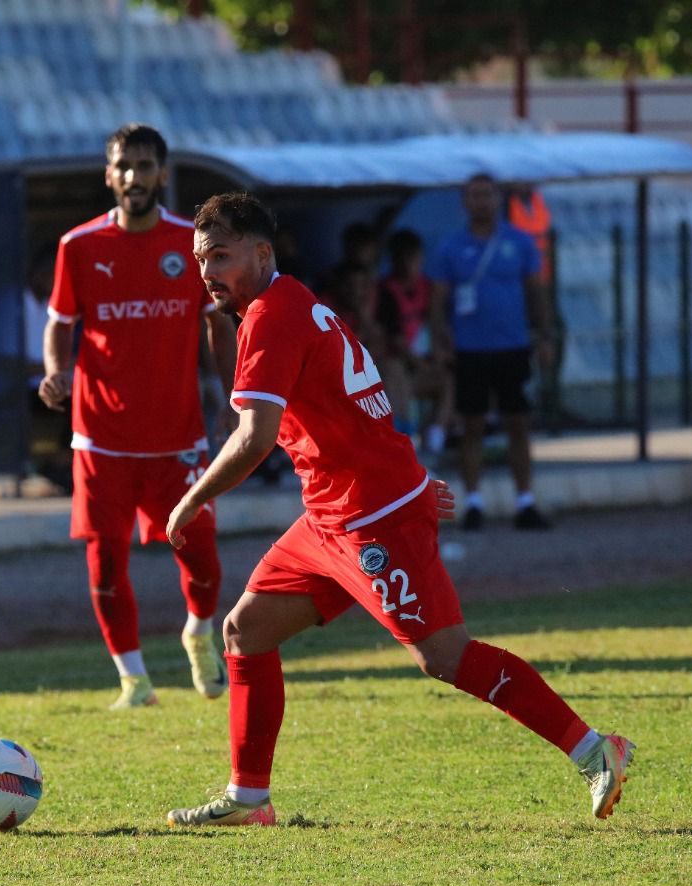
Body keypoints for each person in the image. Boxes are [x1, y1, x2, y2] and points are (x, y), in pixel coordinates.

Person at [162, 191, 633, 828]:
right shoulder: (286, 302)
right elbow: (350, 400)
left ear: (263, 253)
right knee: (246, 631)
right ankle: (249, 798)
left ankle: (594, 749)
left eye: (220, 255)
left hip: (370, 518)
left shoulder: (271, 316)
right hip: (335, 513)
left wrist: (192, 498)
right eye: (200, 260)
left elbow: (255, 438)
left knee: (445, 657)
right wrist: (407, 480)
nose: (208, 271)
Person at [41, 123, 238, 709]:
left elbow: (218, 323)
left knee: (201, 555)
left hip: (178, 436)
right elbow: (60, 323)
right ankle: (134, 681)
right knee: (105, 565)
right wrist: (56, 370)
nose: (134, 176)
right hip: (99, 438)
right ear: (109, 176)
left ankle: (199, 631)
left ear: (162, 174)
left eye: (145, 165)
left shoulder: (190, 244)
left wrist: (234, 397)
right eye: (124, 166)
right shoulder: (78, 246)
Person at [430, 174, 556, 531]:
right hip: (470, 349)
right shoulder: (451, 248)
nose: (482, 202)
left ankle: (525, 501)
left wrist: (545, 336)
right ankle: (473, 502)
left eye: (487, 195)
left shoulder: (520, 242)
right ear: (464, 202)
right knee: (472, 425)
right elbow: (438, 301)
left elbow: (536, 292)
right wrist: (440, 341)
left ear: (498, 199)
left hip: (513, 347)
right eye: (475, 195)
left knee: (518, 423)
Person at [376, 228, 451, 456]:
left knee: (447, 379)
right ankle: (402, 442)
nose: (410, 265)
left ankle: (435, 439)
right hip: (398, 366)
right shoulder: (385, 292)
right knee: (395, 374)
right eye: (404, 258)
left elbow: (438, 324)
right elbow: (395, 341)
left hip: (421, 364)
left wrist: (440, 354)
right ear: (395, 260)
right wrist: (420, 364)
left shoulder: (427, 287)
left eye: (414, 258)